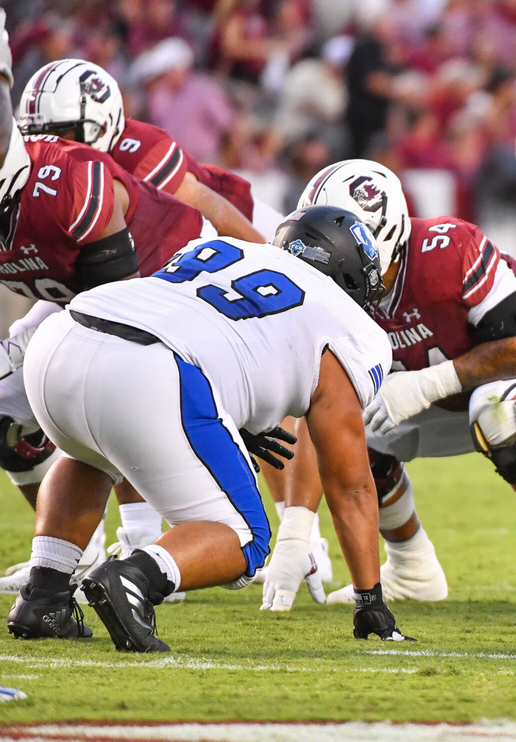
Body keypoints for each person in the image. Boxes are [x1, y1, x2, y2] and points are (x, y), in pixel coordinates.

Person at [7, 206, 408, 651]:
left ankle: (43, 597)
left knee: (91, 455)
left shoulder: (223, 247)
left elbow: (208, 330)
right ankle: (133, 578)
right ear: (350, 275)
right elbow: (350, 483)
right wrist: (370, 600)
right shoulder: (350, 325)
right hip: (148, 367)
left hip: (60, 340)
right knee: (246, 537)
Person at [271, 161, 516, 613]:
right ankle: (411, 567)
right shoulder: (332, 291)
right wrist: (295, 534)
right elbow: (319, 408)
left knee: (501, 411)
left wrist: (423, 386)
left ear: (381, 237)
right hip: (457, 391)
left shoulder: (447, 250)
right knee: (348, 420)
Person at [0, 14, 210, 597]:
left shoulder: (103, 170)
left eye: (67, 132)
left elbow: (220, 217)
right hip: (86, 297)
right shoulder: (28, 178)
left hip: (170, 290)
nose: (54, 144)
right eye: (41, 132)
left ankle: (146, 542)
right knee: (8, 412)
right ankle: (73, 551)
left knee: (111, 390)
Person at [17, 58, 279, 244]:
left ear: (101, 126)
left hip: (237, 217)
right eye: (35, 135)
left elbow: (212, 210)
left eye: (60, 135)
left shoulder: (137, 152)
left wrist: (269, 256)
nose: (47, 146)